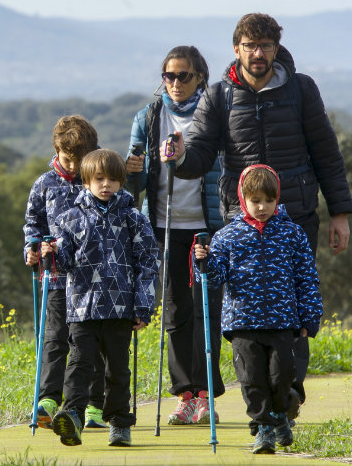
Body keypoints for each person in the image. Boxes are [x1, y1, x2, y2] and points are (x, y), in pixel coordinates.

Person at [165, 12, 352, 419]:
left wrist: (339, 213)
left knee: (295, 307)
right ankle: (260, 403)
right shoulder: (219, 96)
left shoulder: (301, 90)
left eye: (265, 46)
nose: (257, 53)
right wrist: (180, 156)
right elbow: (197, 153)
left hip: (297, 216)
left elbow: (327, 154)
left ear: (275, 49)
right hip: (240, 222)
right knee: (247, 314)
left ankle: (287, 398)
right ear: (237, 49)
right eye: (250, 45)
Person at [125, 45, 226, 425]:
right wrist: (132, 170)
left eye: (184, 75)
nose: (176, 83)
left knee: (205, 310)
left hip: (207, 226)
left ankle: (205, 394)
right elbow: (134, 183)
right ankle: (185, 394)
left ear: (200, 76)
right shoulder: (148, 117)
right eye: (169, 75)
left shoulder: (213, 114)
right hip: (163, 226)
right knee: (175, 313)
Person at [192, 164, 322, 454]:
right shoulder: (227, 237)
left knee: (281, 376)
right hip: (243, 323)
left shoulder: (293, 234)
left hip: (282, 321)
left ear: (277, 199)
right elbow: (214, 278)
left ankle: (279, 417)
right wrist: (202, 261)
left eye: (269, 200)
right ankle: (263, 428)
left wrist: (309, 317)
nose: (262, 207)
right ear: (242, 199)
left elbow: (307, 278)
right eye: (255, 201)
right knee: (252, 380)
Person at [41, 149, 159, 447]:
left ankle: (120, 423)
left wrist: (143, 306)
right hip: (82, 308)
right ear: (86, 182)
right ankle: (73, 416)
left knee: (117, 370)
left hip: (121, 309)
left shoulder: (134, 218)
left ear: (121, 182)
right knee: (79, 365)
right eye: (98, 179)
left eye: (112, 179)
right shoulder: (69, 219)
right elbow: (64, 263)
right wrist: (52, 253)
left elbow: (148, 263)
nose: (105, 184)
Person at [23, 115, 109, 430]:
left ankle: (92, 407)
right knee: (55, 337)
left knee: (89, 344)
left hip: (93, 282)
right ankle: (47, 401)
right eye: (67, 159)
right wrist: (32, 248)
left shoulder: (99, 182)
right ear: (57, 151)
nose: (73, 166)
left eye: (80, 160)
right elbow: (33, 223)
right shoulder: (43, 184)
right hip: (56, 278)